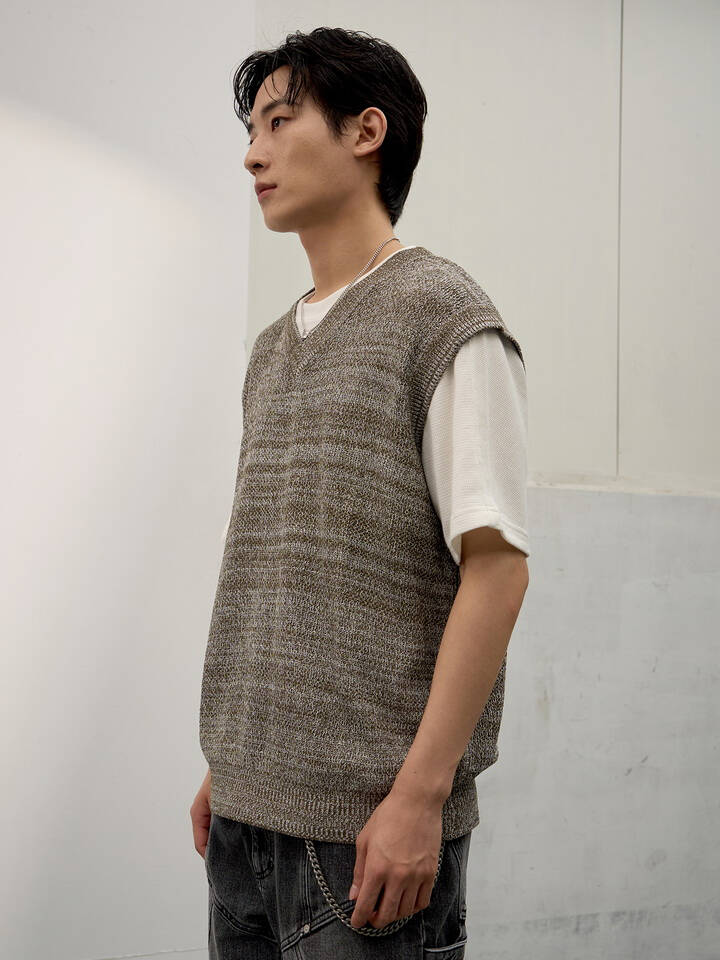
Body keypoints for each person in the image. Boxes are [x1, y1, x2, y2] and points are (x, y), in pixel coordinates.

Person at [190, 26, 530, 959]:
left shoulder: (442, 314)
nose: (252, 154)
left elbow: (497, 572)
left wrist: (420, 797)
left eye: (279, 121)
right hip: (242, 825)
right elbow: (276, 571)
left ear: (366, 131)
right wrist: (237, 763)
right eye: (250, 131)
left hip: (368, 838)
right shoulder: (272, 348)